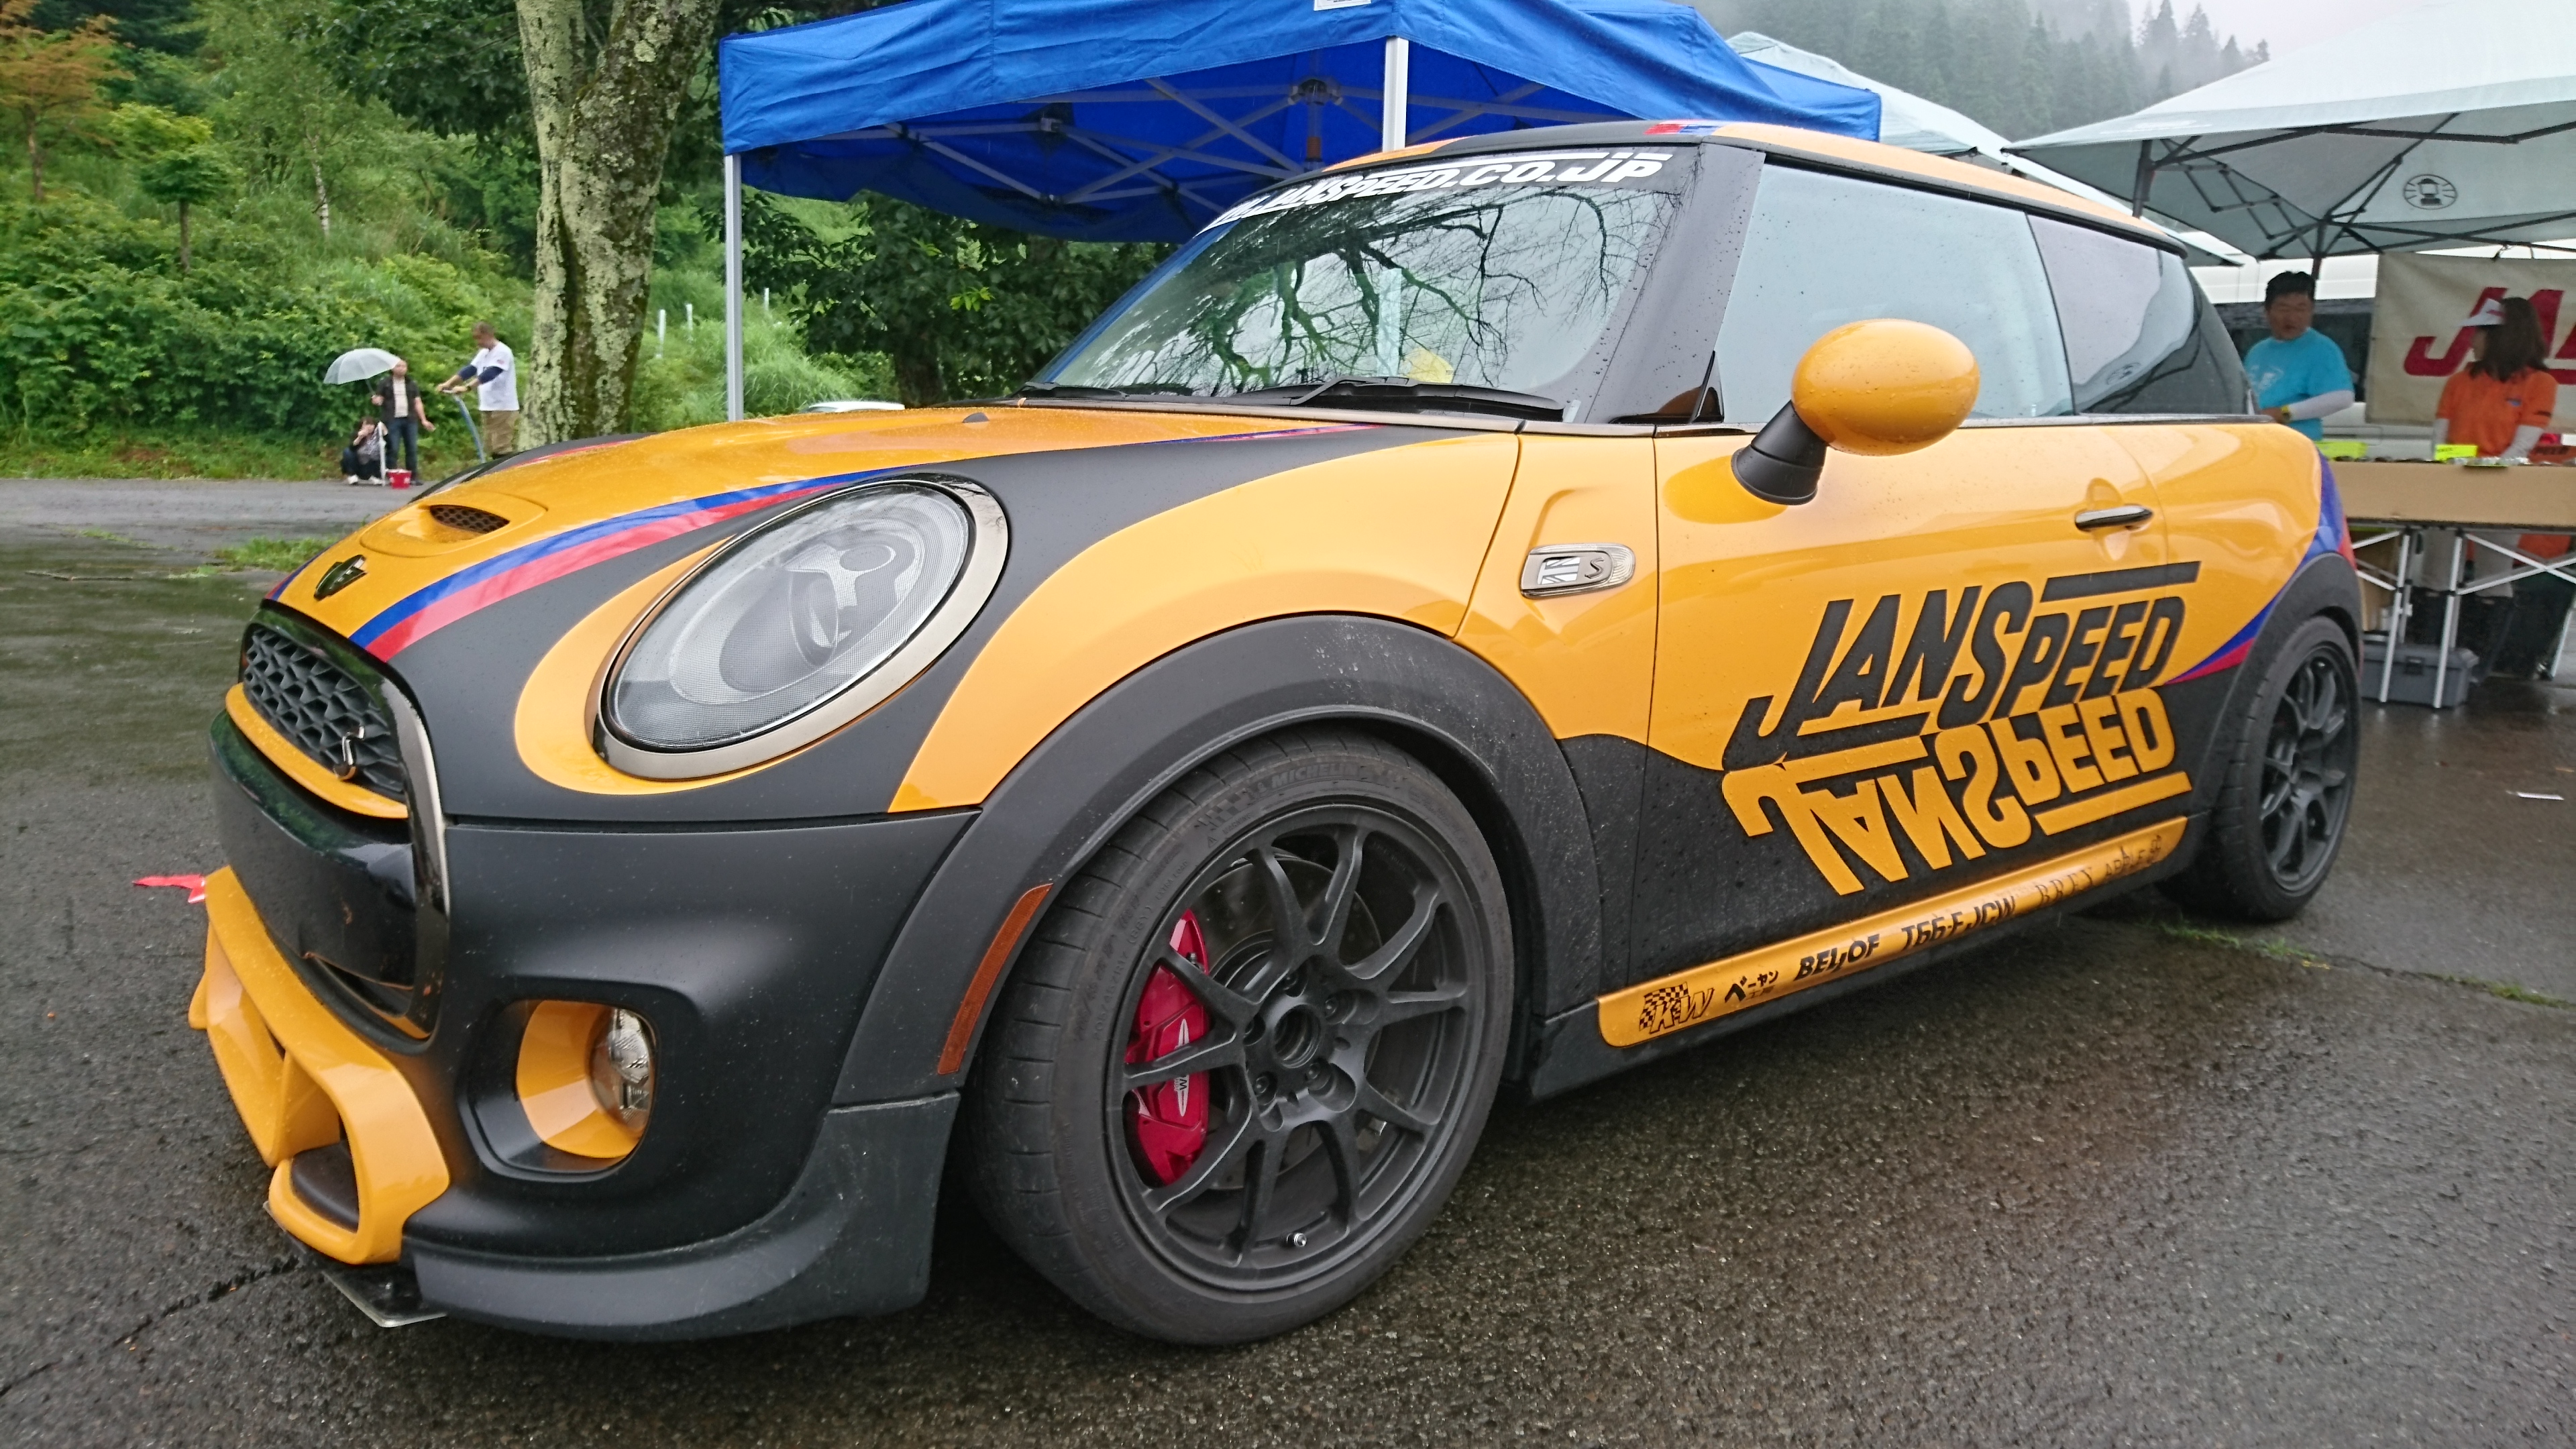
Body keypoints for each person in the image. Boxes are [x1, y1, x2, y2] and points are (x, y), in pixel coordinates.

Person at [2436, 296, 2569, 676]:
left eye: (2481, 332)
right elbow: (2441, 440)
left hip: (2502, 490)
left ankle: (2482, 667)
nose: (2473, 340)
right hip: (2450, 488)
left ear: (2503, 336)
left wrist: (2485, 470)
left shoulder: (2540, 383)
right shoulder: (2459, 381)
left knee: (2493, 574)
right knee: (2436, 573)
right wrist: (2452, 466)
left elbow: (2521, 447)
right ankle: (2433, 657)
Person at [2242, 270, 2354, 441]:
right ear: (2267, 310)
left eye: (2301, 309)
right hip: (2257, 439)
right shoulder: (2257, 350)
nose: (2292, 317)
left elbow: (2342, 397)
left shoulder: (2321, 348)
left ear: (2312, 311)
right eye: (2283, 309)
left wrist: (2283, 413)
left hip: (2296, 443)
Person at [440, 321, 519, 455]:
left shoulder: (503, 351)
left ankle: (508, 468)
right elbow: (470, 370)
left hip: (503, 406)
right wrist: (448, 384)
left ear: (489, 335)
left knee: (501, 447)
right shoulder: (483, 353)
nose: (478, 342)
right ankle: (496, 467)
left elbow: (491, 373)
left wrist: (467, 388)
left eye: (480, 338)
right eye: (475, 338)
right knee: (490, 446)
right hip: (487, 405)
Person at [369, 358, 435, 478]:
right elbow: (380, 400)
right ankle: (392, 475)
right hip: (392, 419)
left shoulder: (411, 383)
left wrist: (424, 420)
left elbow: (417, 402)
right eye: (398, 366)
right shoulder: (385, 383)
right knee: (393, 448)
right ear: (392, 368)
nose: (401, 369)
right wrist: (376, 401)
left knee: (412, 448)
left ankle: (413, 476)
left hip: (410, 420)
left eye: (403, 366)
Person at [339, 417, 384, 485]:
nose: (369, 427)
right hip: (359, 464)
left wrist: (385, 431)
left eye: (371, 424)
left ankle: (375, 476)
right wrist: (360, 438)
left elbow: (389, 447)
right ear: (361, 426)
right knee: (347, 451)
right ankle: (352, 475)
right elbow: (352, 448)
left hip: (371, 464)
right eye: (366, 425)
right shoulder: (356, 434)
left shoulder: (379, 436)